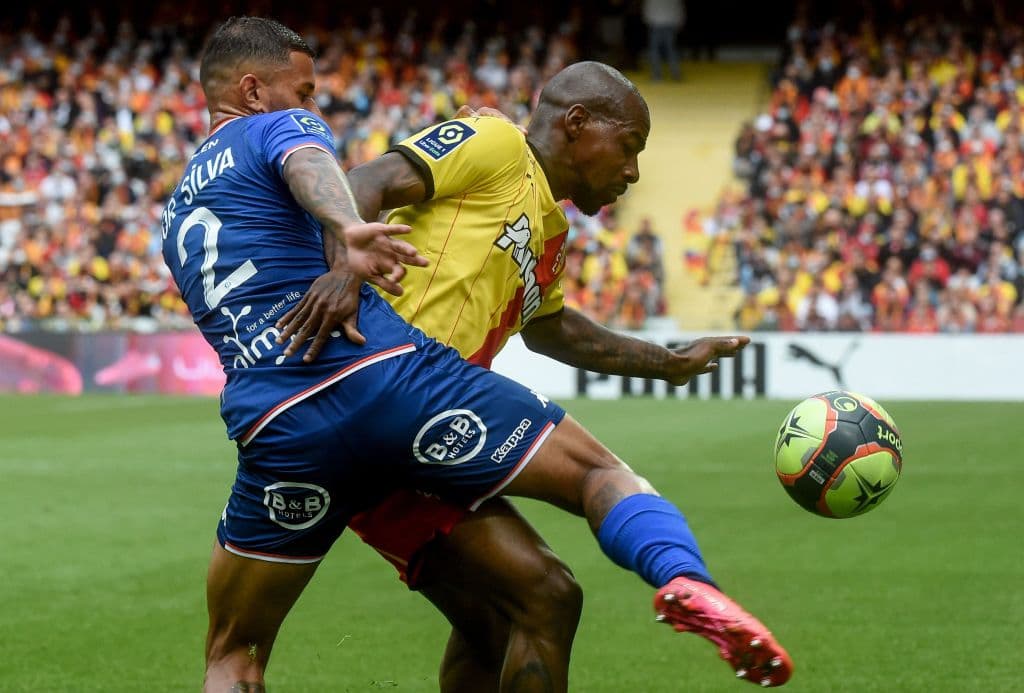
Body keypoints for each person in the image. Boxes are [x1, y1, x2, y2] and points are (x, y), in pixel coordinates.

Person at [278, 59, 793, 689]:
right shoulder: (496, 143)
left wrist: (668, 361)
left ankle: (684, 580)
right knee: (595, 490)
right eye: (628, 146)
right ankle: (683, 576)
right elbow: (368, 179)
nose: (633, 170)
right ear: (576, 123)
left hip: (408, 441)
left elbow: (550, 328)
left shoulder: (550, 230)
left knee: (514, 611)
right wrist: (344, 273)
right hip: (397, 383)